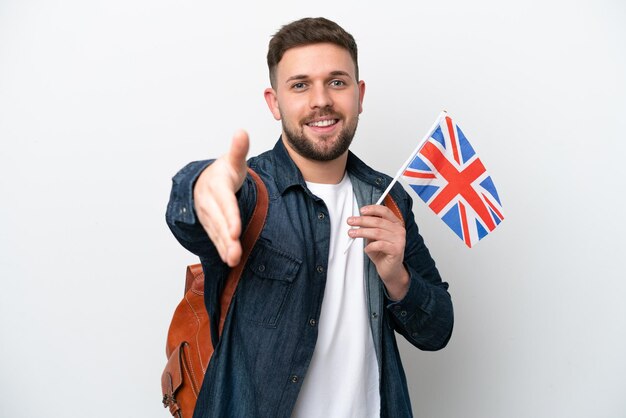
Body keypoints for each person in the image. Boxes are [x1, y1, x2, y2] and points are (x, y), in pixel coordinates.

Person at [166, 17, 453, 418]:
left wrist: (396, 277)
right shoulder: (252, 192)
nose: (321, 100)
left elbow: (437, 331)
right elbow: (190, 211)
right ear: (274, 102)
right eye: (300, 85)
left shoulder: (388, 199)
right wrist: (201, 187)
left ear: (359, 94)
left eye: (337, 82)